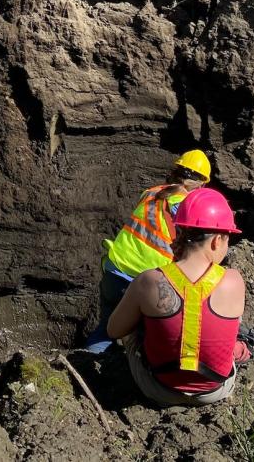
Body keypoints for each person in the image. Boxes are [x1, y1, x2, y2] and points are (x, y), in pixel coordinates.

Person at [106, 187, 249, 407]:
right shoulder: (234, 281)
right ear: (216, 241)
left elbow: (114, 330)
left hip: (158, 389)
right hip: (215, 390)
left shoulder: (149, 281)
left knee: (134, 325)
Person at [83, 150, 213, 353]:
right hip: (146, 281)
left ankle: (87, 367)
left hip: (115, 269)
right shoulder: (184, 205)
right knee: (148, 339)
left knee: (106, 332)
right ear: (202, 184)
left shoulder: (151, 192)